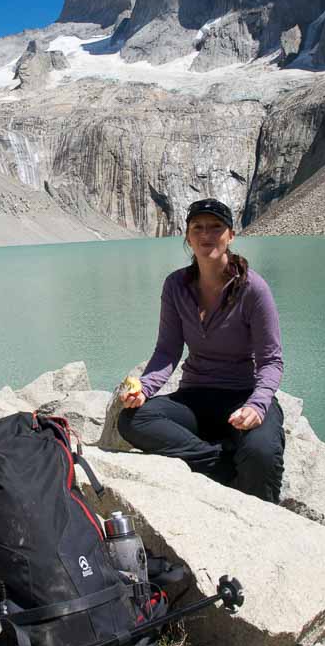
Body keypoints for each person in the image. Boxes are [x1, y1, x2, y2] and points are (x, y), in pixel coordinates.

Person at [116, 198, 285, 503]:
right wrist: (145, 389)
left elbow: (271, 360)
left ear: (230, 235)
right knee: (133, 420)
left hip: (242, 396)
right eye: (198, 228)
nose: (206, 235)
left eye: (216, 227)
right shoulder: (175, 286)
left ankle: (263, 515)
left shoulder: (253, 289)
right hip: (195, 397)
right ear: (188, 236)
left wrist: (258, 405)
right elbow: (168, 351)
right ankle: (222, 465)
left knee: (261, 452)